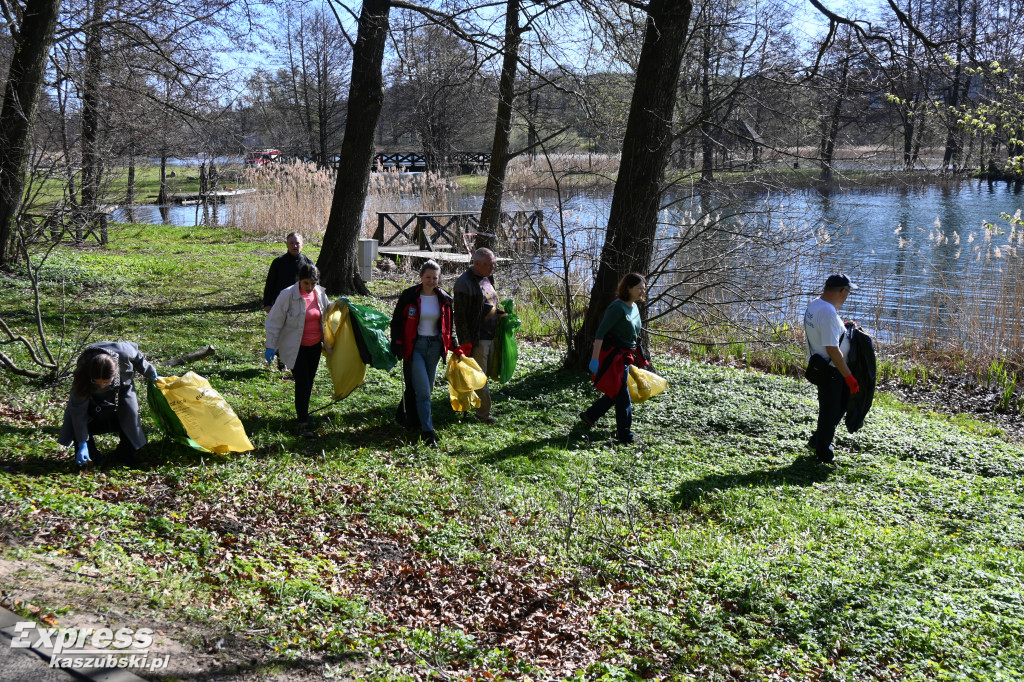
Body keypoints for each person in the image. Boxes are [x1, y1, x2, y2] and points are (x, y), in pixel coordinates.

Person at [58, 342, 159, 466]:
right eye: (98, 381)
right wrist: (82, 442)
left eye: (105, 382)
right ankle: (92, 456)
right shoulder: (83, 373)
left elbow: (138, 357)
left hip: (122, 386)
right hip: (90, 389)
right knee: (73, 418)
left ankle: (125, 453)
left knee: (130, 413)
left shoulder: (124, 352)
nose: (101, 385)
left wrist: (149, 371)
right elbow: (78, 411)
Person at [579, 273, 650, 445]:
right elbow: (600, 333)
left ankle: (590, 415)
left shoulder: (634, 307)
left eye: (644, 287)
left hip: (625, 357)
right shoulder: (617, 308)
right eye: (639, 288)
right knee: (623, 396)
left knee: (616, 392)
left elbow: (633, 334)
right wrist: (594, 359)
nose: (643, 291)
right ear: (628, 288)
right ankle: (626, 436)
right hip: (613, 357)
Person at [390, 260, 454, 448]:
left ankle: (410, 419)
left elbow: (449, 325)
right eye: (428, 277)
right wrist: (397, 343)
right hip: (415, 347)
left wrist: (454, 345)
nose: (431, 281)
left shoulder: (444, 298)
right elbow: (396, 322)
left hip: (434, 348)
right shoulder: (409, 295)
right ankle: (428, 431)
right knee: (424, 391)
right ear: (420, 277)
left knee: (427, 389)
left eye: (435, 278)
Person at [265, 262, 331, 436]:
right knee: (302, 383)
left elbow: (328, 314)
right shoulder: (287, 295)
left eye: (313, 283)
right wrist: (271, 346)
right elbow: (274, 321)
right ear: (299, 280)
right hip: (295, 347)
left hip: (314, 346)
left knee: (308, 383)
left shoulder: (320, 293)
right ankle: (303, 423)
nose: (309, 287)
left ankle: (304, 414)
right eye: (306, 283)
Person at [804, 273, 861, 464]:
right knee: (830, 413)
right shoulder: (828, 313)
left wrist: (845, 327)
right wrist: (849, 377)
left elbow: (826, 331)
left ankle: (816, 440)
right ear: (842, 291)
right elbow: (833, 350)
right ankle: (823, 454)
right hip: (831, 371)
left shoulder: (816, 305)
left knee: (835, 408)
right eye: (847, 292)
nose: (847, 296)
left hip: (819, 366)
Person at [453, 248, 504, 424]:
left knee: (486, 373)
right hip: (478, 338)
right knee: (480, 376)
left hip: (492, 336)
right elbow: (460, 317)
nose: (493, 268)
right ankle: (484, 414)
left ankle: (471, 402)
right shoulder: (464, 283)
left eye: (493, 264)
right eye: (489, 264)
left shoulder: (487, 277)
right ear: (476, 264)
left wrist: (501, 312)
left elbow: (491, 301)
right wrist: (465, 342)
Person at [263, 232, 313, 313]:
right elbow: (270, 284)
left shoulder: (308, 263)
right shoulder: (278, 262)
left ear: (302, 245)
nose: (294, 246)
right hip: (281, 303)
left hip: (302, 304)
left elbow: (314, 285)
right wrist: (267, 304)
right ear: (287, 244)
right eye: (291, 243)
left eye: (297, 243)